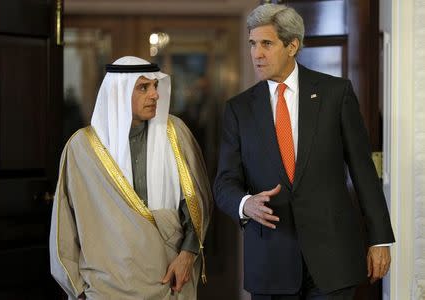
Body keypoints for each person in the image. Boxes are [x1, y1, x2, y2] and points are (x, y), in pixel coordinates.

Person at [214, 4, 395, 299]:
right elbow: (223, 183)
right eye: (252, 44)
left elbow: (363, 170)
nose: (256, 53)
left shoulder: (336, 93)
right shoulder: (238, 109)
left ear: (292, 45)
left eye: (266, 44)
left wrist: (380, 239)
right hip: (271, 263)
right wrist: (245, 204)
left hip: (333, 260)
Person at [50, 56, 212, 299]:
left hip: (169, 279)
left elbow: (197, 202)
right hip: (105, 285)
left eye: (155, 86)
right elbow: (65, 225)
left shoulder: (175, 134)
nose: (155, 95)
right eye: (143, 88)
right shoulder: (82, 148)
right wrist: (79, 290)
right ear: (118, 92)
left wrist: (188, 255)